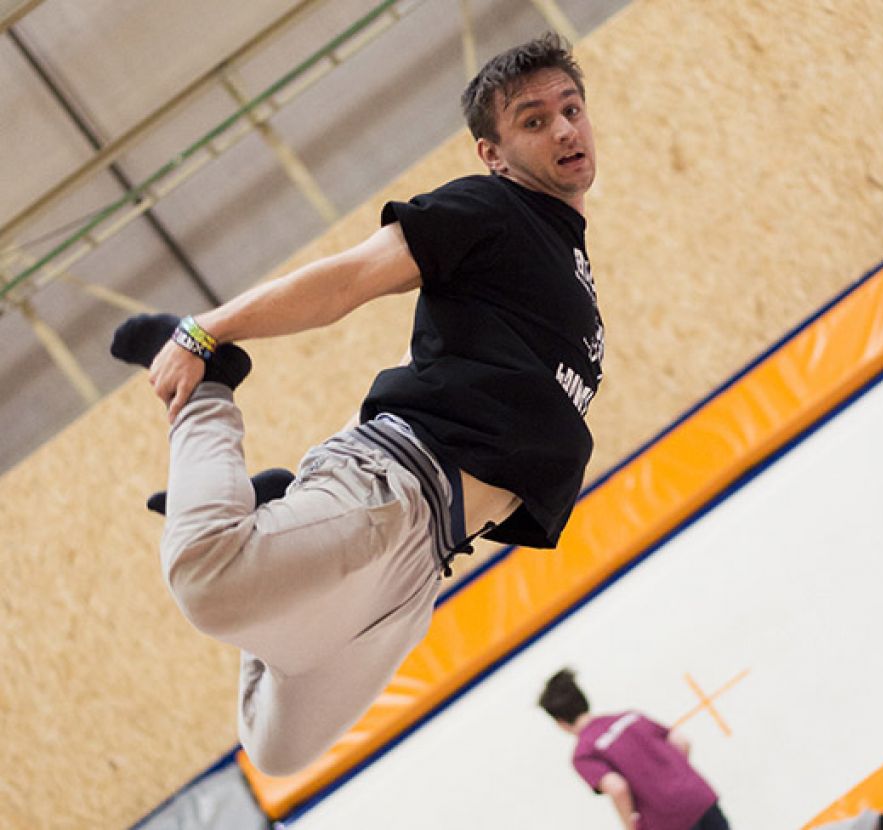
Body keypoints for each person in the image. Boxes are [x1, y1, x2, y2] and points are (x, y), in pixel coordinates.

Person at [110, 33, 604, 776]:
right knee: (207, 580)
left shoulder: (570, 265)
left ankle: (267, 510)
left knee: (274, 749)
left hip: (420, 566)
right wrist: (206, 330)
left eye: (572, 109)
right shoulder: (486, 207)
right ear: (492, 153)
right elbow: (348, 279)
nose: (565, 129)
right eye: (534, 121)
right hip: (392, 487)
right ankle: (212, 394)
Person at [539, 669, 729, 830]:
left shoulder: (584, 753)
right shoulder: (630, 717)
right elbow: (682, 741)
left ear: (560, 722)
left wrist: (629, 824)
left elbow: (617, 787)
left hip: (667, 820)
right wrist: (674, 779)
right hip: (698, 796)